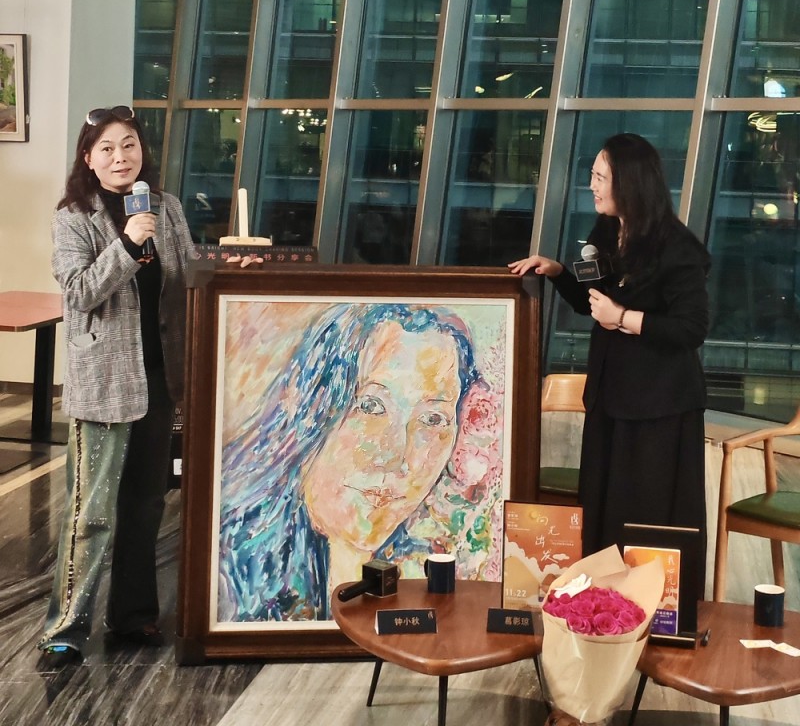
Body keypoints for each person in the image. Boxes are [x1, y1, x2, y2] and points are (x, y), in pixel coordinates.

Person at [509, 132, 710, 595]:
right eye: (593, 175)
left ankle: (650, 606)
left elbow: (691, 329)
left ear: (629, 182)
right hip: (610, 396)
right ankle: (601, 602)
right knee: (604, 509)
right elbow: (592, 302)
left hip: (659, 406)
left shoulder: (677, 248)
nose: (592, 185)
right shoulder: (606, 231)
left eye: (601, 177)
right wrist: (557, 272)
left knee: (646, 512)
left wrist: (623, 319)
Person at [217, 303, 504, 622]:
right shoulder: (229, 576)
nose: (398, 457)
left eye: (433, 419)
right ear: (307, 403)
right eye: (370, 406)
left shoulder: (437, 565)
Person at [37, 105, 195, 666]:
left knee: (146, 505)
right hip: (103, 380)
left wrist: (226, 270)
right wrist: (127, 245)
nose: (121, 156)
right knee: (92, 510)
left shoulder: (166, 208)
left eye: (129, 144)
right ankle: (65, 629)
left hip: (159, 378)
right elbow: (79, 292)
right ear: (88, 158)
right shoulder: (73, 216)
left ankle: (132, 616)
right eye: (106, 148)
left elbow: (187, 279)